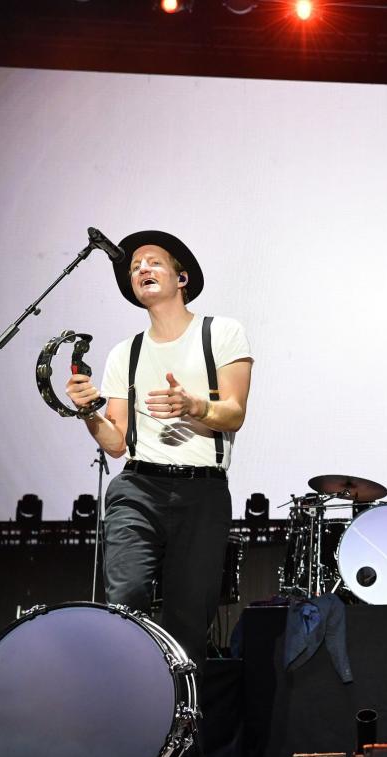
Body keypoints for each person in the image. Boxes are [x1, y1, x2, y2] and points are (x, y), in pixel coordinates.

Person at [65, 230, 253, 671]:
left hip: (201, 493)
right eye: (134, 268)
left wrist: (193, 405)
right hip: (138, 487)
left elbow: (234, 412)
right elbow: (115, 443)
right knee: (125, 602)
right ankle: (128, 713)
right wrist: (90, 410)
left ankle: (184, 732)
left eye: (152, 262)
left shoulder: (221, 332)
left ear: (181, 276)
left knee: (188, 624)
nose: (142, 269)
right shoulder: (123, 354)